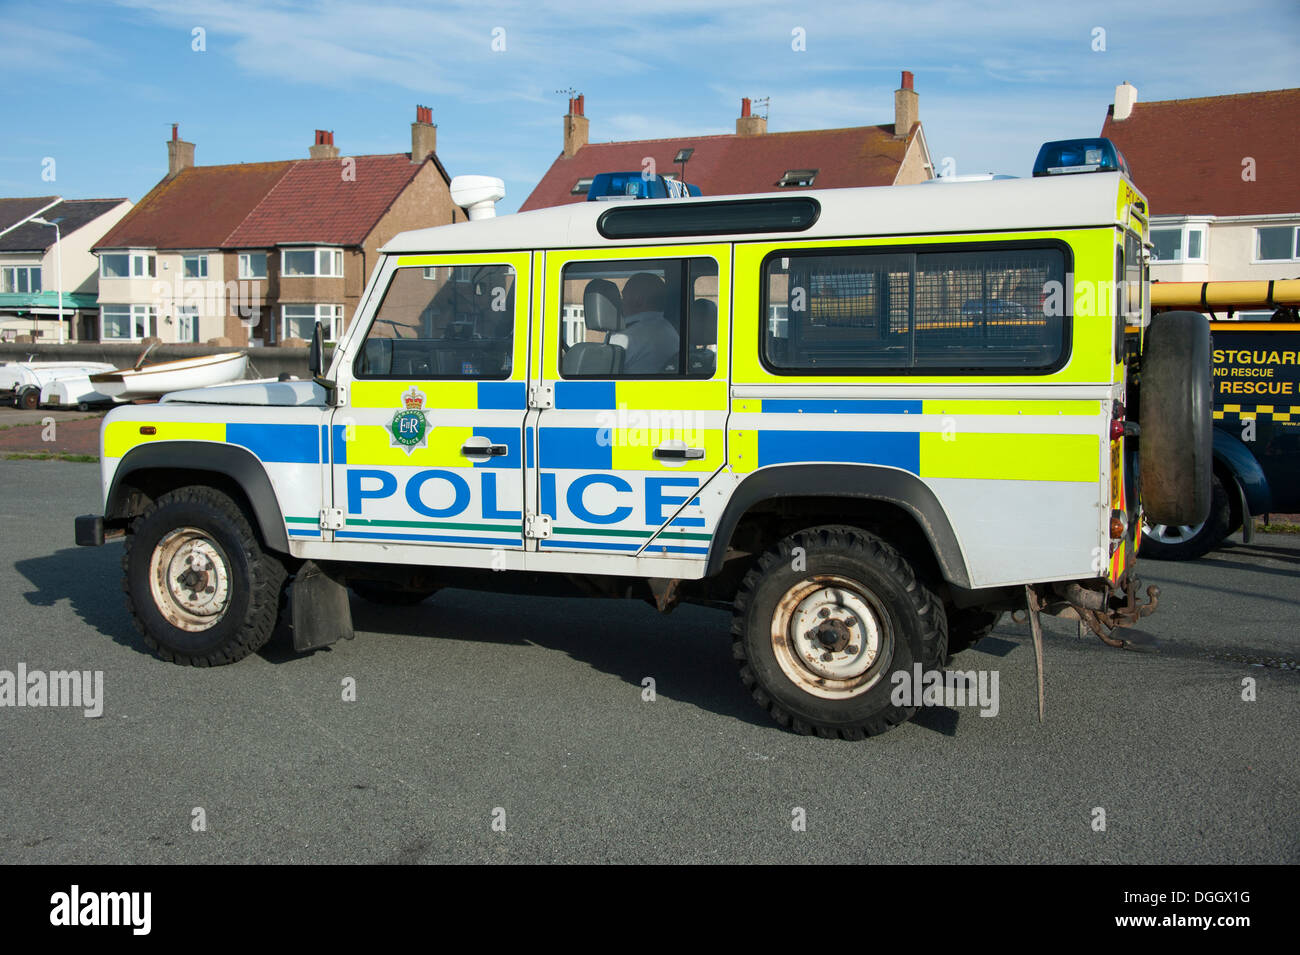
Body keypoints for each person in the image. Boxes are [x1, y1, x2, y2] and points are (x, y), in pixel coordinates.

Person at [619, 272, 678, 373]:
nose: (621, 302)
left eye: (624, 297)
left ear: (638, 300)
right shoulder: (670, 329)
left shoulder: (625, 338)